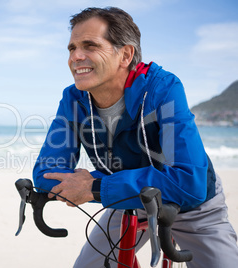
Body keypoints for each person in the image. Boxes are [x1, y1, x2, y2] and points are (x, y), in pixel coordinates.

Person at [32, 7, 238, 268]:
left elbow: (189, 182)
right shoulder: (74, 99)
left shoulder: (163, 88)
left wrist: (94, 186)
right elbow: (45, 172)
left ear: (125, 54)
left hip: (191, 205)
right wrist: (97, 187)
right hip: (127, 200)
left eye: (89, 45)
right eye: (72, 48)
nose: (76, 56)